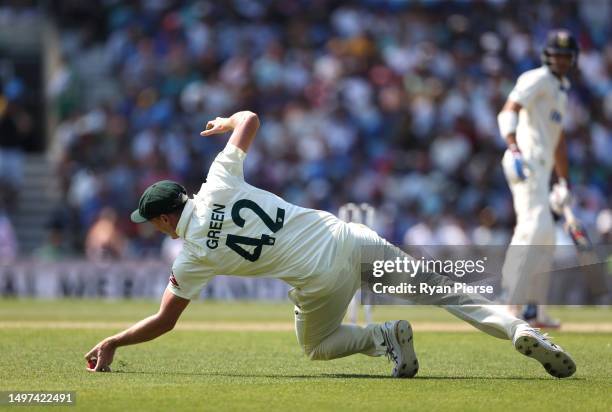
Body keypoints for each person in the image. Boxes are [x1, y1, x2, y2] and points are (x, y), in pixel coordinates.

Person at [85, 110, 576, 378]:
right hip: (350, 236)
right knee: (442, 290)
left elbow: (165, 321)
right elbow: (251, 118)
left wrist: (114, 341)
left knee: (317, 346)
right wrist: (224, 123)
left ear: (169, 215)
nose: (153, 227)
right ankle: (518, 331)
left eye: (153, 221)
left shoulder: (192, 254)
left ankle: (384, 337)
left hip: (319, 281)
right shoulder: (217, 179)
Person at [498, 30, 580, 328]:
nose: (560, 59)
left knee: (545, 235)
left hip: (542, 169)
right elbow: (509, 110)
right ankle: (510, 303)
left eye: (565, 55)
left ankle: (534, 310)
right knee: (535, 226)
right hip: (524, 161)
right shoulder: (536, 78)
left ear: (572, 59)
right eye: (556, 54)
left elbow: (558, 141)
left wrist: (564, 182)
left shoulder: (561, 90)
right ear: (547, 55)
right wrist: (513, 147)